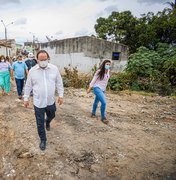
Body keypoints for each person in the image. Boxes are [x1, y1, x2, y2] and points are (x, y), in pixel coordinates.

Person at [23, 50, 64, 151]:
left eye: (45, 59)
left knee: (52, 115)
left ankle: (48, 122)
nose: (43, 61)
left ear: (48, 59)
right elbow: (28, 85)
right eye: (41, 60)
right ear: (37, 60)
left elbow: (59, 82)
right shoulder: (32, 71)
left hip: (50, 101)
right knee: (39, 122)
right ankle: (43, 140)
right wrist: (26, 98)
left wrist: (61, 95)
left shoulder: (54, 69)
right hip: (38, 102)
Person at [87, 59, 112, 124]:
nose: (108, 65)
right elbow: (94, 80)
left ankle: (93, 113)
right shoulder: (99, 71)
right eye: (107, 64)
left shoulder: (108, 71)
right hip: (97, 88)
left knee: (96, 101)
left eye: (109, 64)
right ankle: (103, 118)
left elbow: (105, 82)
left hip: (103, 89)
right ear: (104, 64)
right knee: (104, 102)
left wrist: (105, 89)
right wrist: (89, 88)